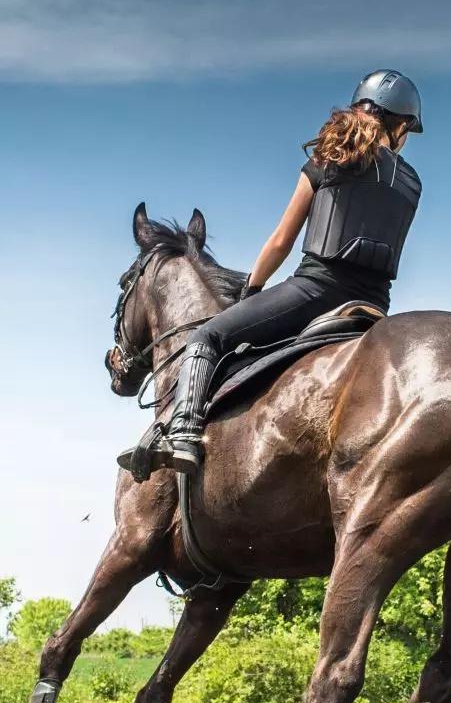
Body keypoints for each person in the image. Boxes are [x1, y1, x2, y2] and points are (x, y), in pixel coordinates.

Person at [118, 69, 423, 479]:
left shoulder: (330, 158)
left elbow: (281, 241)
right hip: (374, 308)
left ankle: (182, 434)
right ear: (400, 126)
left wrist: (253, 288)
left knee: (206, 337)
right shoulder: (412, 183)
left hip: (316, 292)